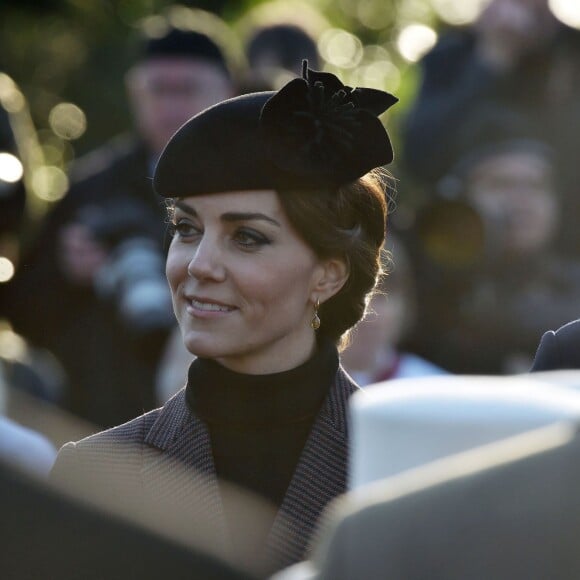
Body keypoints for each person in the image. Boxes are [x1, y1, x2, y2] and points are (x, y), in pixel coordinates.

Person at [51, 61, 397, 575]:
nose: (198, 264)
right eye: (187, 229)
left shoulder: (405, 467)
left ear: (327, 275)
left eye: (247, 237)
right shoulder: (95, 474)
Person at [5, 12, 237, 428]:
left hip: (222, 413)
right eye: (158, 90)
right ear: (135, 93)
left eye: (186, 89)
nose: (170, 105)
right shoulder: (92, 189)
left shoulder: (253, 187)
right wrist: (70, 274)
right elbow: (24, 312)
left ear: (228, 90)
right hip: (100, 420)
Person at [406, 109, 580, 374]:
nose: (522, 201)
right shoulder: (421, 286)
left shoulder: (572, 284)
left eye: (535, 185)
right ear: (463, 195)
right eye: (502, 184)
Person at [402, 0, 580, 257]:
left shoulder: (571, 54)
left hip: (563, 254)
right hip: (461, 246)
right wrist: (490, 60)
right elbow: (419, 154)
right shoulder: (453, 54)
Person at [341, 238, 448, 385]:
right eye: (353, 295)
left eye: (381, 297)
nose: (369, 313)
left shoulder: (434, 389)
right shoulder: (307, 389)